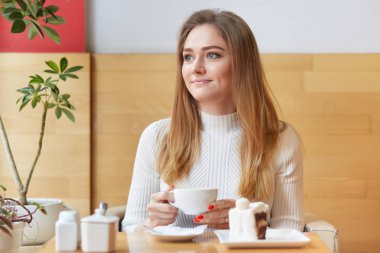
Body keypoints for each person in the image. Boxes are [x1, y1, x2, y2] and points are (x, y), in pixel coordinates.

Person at [121, 9, 304, 232]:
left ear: (242, 65)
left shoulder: (281, 139)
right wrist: (151, 223)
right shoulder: (157, 136)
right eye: (188, 57)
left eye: (212, 55)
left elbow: (290, 234)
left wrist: (244, 222)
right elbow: (131, 228)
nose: (196, 68)